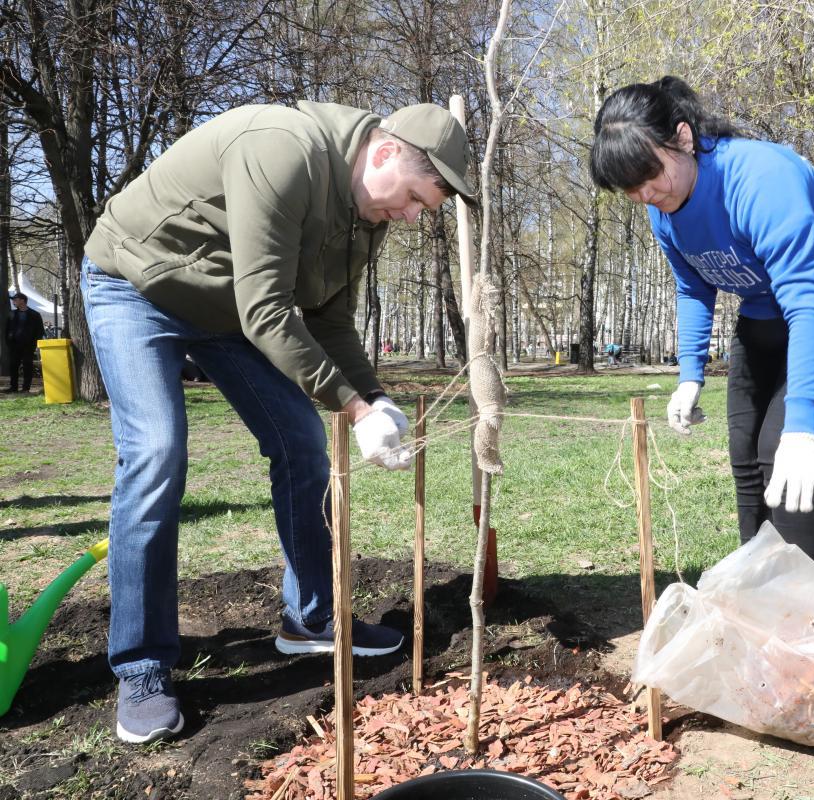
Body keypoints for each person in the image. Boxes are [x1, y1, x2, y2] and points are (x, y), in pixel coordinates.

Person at [82, 100, 476, 744]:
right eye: (413, 198)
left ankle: (310, 621)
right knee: (156, 454)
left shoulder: (364, 214)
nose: (409, 216)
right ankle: (142, 667)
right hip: (137, 284)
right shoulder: (281, 149)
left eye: (421, 211)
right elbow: (267, 310)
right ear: (383, 153)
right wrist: (351, 407)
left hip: (225, 310)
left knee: (299, 439)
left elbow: (327, 319)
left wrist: (374, 399)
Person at [590, 77, 814, 569]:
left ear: (683, 138)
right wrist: (690, 376)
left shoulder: (758, 180)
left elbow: (809, 301)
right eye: (632, 189)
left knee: (781, 448)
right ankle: (759, 587)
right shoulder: (662, 209)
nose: (646, 194)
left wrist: (803, 432)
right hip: (763, 304)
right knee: (744, 450)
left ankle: (802, 613)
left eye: (651, 175)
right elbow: (693, 287)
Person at [5, 292, 45, 393]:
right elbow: (7, 329)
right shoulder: (12, 314)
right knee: (13, 366)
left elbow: (40, 331)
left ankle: (25, 388)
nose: (13, 301)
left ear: (22, 300)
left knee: (27, 366)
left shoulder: (35, 315)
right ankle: (13, 387)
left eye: (15, 299)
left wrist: (34, 344)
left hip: (28, 346)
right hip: (14, 345)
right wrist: (9, 342)